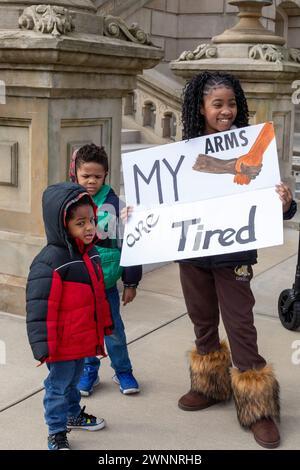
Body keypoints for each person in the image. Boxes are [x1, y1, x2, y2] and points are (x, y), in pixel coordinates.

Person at [177, 71, 297, 449]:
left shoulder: (253, 146)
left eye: (231, 103)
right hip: (192, 252)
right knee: (202, 321)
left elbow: (272, 206)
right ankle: (211, 386)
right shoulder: (181, 153)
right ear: (201, 108)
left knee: (241, 326)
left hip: (234, 254)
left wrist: (286, 203)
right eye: (217, 104)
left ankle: (258, 409)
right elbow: (164, 202)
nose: (226, 110)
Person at [26, 182, 113, 450]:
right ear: (62, 225)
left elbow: (98, 296)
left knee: (74, 381)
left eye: (91, 220)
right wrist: (42, 346)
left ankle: (72, 414)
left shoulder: (92, 253)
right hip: (61, 343)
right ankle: (56, 430)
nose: (89, 227)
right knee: (58, 385)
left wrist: (104, 326)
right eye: (80, 223)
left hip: (82, 339)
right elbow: (38, 308)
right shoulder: (50, 261)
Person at [69, 144, 142, 396]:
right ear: (75, 174)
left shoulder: (117, 206)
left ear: (106, 175)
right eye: (85, 176)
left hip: (108, 284)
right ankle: (90, 369)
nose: (91, 181)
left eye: (97, 176)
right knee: (87, 332)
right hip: (81, 284)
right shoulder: (69, 204)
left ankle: (122, 370)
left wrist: (131, 283)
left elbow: (131, 245)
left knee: (114, 332)